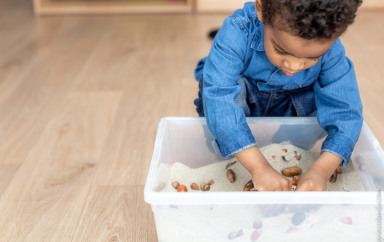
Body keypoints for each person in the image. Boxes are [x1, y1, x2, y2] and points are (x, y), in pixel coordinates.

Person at [193, 0, 363, 191]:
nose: (294, 66)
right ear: (261, 9)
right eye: (281, 50)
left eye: (314, 57)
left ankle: (284, 142)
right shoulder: (238, 30)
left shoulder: (332, 48)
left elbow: (346, 111)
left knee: (328, 98)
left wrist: (321, 171)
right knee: (217, 96)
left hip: (294, 103)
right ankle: (235, 149)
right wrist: (259, 168)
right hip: (247, 98)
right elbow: (219, 94)